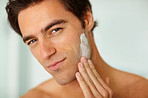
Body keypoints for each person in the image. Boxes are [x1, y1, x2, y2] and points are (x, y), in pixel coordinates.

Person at [5, 0, 148, 98]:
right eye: (32, 40)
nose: (45, 53)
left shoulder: (142, 91)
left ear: (86, 19)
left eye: (55, 30)